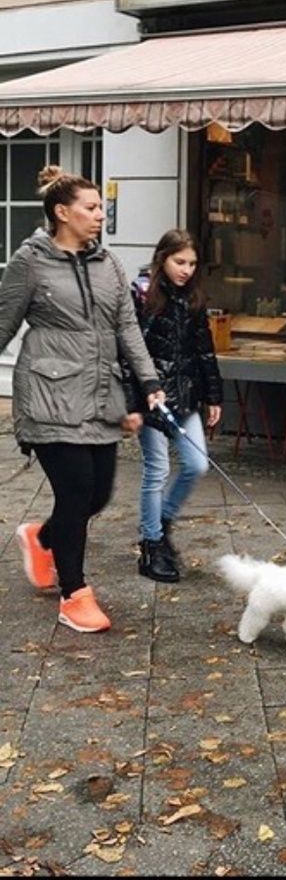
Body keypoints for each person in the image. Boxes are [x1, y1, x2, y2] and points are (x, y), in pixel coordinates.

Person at [0, 165, 164, 633]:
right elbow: (4, 322)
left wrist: (149, 383)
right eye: (90, 208)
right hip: (49, 393)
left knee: (99, 493)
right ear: (61, 212)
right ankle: (74, 595)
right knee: (74, 491)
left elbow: (127, 328)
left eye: (99, 208)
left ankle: (42, 537)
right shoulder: (29, 262)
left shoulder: (108, 263)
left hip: (100, 395)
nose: (99, 216)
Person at [123, 229, 223, 583]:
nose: (186, 269)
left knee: (197, 464)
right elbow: (127, 352)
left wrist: (214, 396)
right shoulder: (141, 295)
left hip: (187, 395)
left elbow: (204, 349)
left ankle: (161, 522)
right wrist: (134, 401)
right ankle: (152, 546)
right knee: (157, 469)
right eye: (179, 261)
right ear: (162, 258)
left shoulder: (193, 298)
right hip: (153, 397)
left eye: (192, 263)